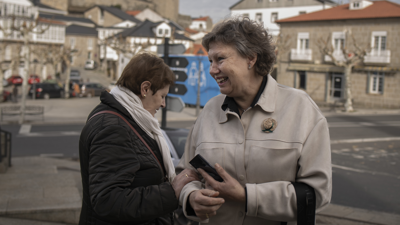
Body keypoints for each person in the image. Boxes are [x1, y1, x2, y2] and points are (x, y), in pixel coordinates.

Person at [176, 17, 332, 224]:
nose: (212, 70)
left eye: (220, 59)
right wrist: (191, 196)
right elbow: (186, 173)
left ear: (251, 59)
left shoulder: (301, 109)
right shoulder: (209, 110)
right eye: (210, 61)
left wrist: (247, 196)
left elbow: (317, 194)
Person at [79, 52, 199, 225]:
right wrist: (171, 192)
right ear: (145, 89)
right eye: (162, 96)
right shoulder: (113, 128)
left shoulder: (125, 118)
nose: (163, 104)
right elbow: (107, 201)